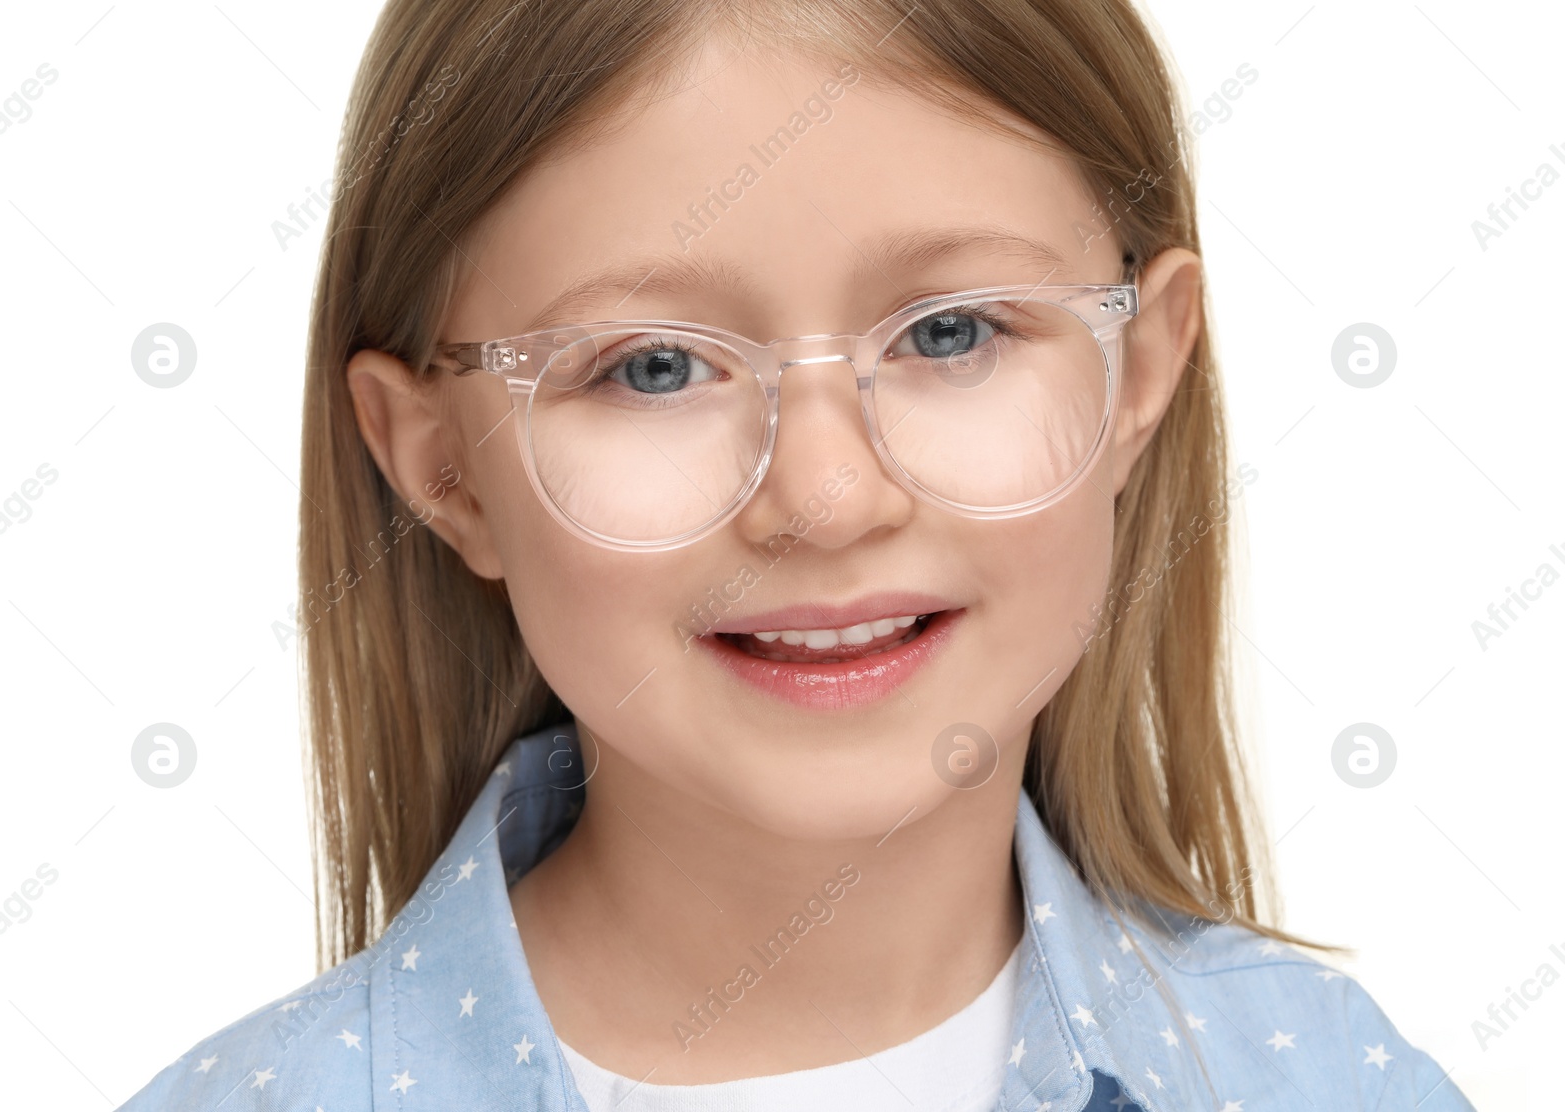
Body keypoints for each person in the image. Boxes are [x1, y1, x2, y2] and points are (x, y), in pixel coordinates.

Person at [118, 0, 1474, 1107]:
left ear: (1139, 374)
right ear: (441, 469)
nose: (825, 499)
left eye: (950, 334)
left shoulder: (1326, 1077)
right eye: (654, 367)